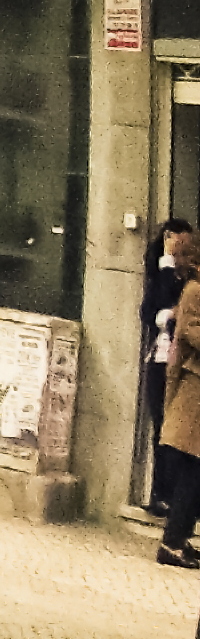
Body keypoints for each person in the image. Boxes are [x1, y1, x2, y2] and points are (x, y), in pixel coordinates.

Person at [139, 220, 192, 460]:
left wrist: (171, 316)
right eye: (175, 250)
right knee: (160, 429)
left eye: (184, 251)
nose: (180, 257)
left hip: (184, 365)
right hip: (160, 361)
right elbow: (150, 311)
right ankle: (159, 493)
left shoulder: (191, 281)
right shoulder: (163, 275)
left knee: (176, 434)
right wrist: (167, 263)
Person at [161, 272, 200, 569]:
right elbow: (189, 330)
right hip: (194, 391)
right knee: (192, 471)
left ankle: (179, 539)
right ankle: (171, 543)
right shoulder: (195, 290)